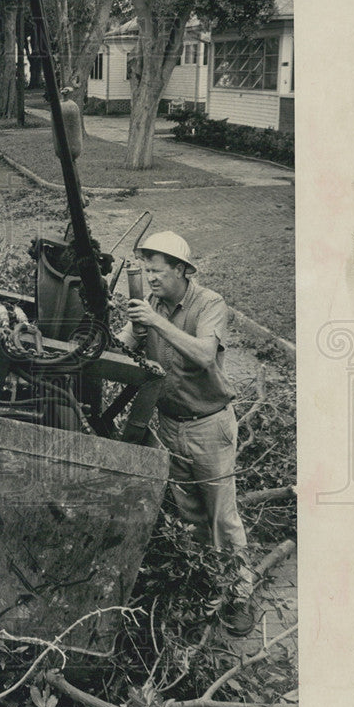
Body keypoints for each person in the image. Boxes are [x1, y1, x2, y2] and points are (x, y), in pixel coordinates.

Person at [117, 231, 255, 637]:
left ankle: (239, 594)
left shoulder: (208, 303)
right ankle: (206, 584)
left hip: (209, 425)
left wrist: (154, 321)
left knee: (221, 517)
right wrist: (120, 333)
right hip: (169, 423)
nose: (150, 278)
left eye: (157, 271)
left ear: (181, 269)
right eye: (145, 270)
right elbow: (124, 345)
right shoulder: (151, 304)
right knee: (190, 515)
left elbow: (202, 355)